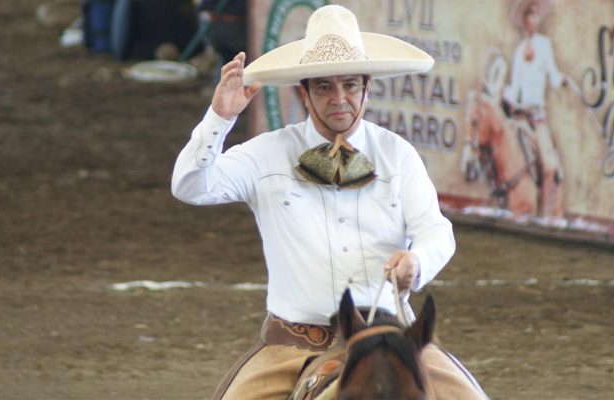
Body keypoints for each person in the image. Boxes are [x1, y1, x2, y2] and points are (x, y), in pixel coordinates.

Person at [171, 5, 487, 399]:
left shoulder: (398, 154)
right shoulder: (266, 153)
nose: (340, 98)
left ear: (367, 87)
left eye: (350, 85)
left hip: (393, 342)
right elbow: (189, 185)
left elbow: (436, 230)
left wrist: (416, 262)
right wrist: (220, 118)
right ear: (303, 92)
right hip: (294, 347)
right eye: (324, 87)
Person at [502, 0, 567, 220]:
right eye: (530, 16)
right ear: (524, 22)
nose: (534, 20)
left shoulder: (544, 45)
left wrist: (562, 80)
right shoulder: (519, 51)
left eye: (536, 15)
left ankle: (543, 214)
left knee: (548, 167)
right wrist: (507, 97)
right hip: (520, 116)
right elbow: (514, 86)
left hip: (537, 118)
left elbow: (553, 72)